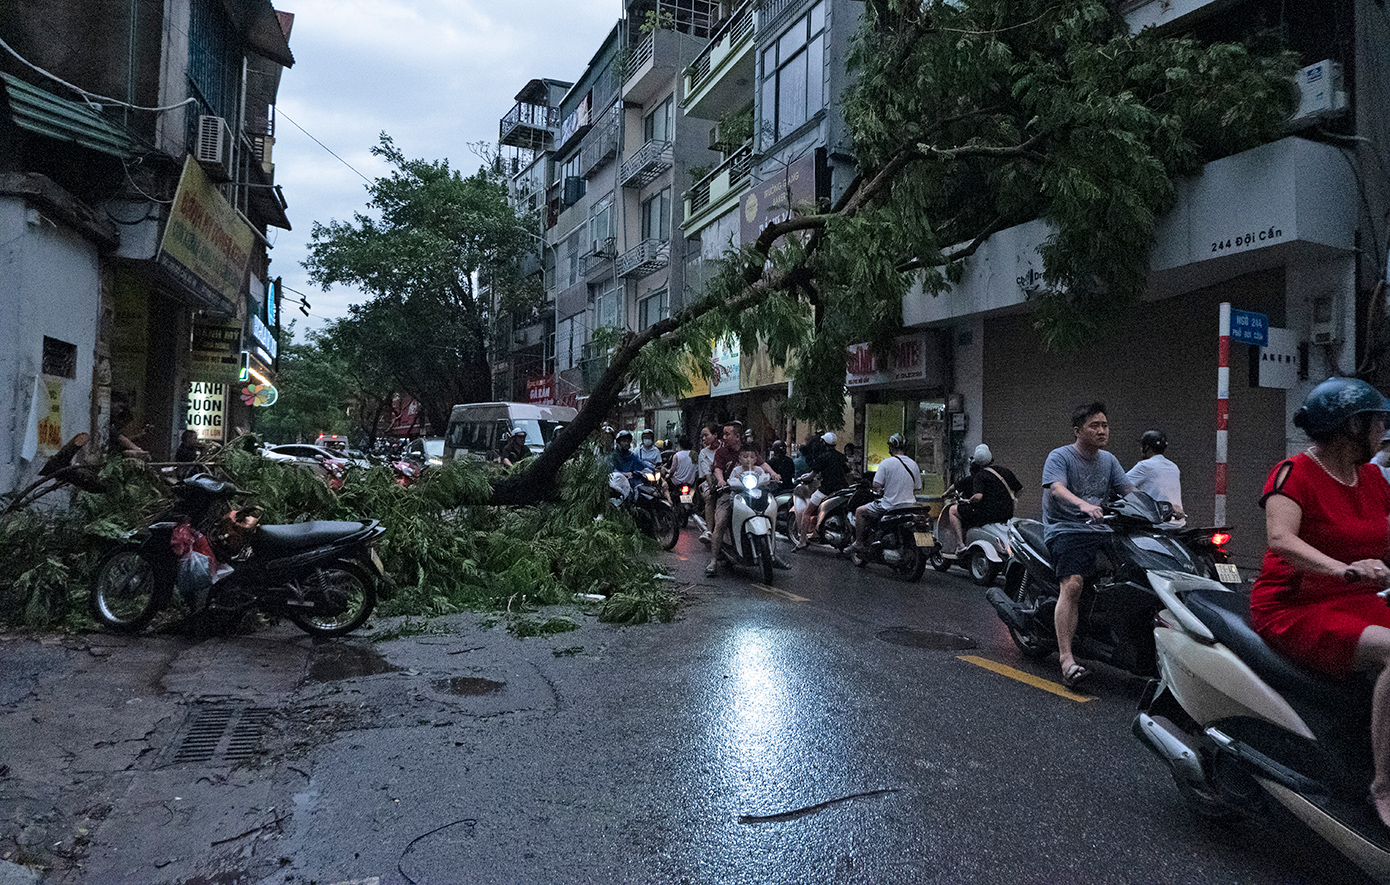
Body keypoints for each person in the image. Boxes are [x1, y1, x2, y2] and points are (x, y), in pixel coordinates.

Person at [1247, 377, 1390, 829]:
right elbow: (1281, 539)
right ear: (1353, 426)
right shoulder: (1294, 472)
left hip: (1355, 599)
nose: (1383, 430)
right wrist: (1342, 569)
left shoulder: (1369, 477)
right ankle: (1383, 787)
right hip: (1295, 605)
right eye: (1377, 422)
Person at [1042, 402, 1134, 688]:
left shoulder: (1109, 460)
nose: (1102, 431)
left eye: (1105, 425)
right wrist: (1083, 505)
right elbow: (1056, 488)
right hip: (1066, 529)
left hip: (1100, 529)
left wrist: (1162, 509)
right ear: (1077, 431)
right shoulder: (1060, 456)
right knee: (1073, 584)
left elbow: (1130, 492)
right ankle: (1067, 659)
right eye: (1094, 426)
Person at [707, 421, 783, 576]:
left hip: (752, 492)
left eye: (727, 434)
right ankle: (713, 561)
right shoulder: (721, 452)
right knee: (721, 521)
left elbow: (763, 465)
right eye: (724, 434)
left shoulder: (748, 451)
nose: (724, 437)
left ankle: (772, 553)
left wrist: (773, 474)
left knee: (769, 512)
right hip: (730, 492)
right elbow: (718, 470)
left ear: (737, 436)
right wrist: (721, 481)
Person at [941, 444, 1022, 553]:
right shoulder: (1004, 471)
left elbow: (978, 497)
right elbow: (1019, 489)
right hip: (1006, 513)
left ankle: (961, 545)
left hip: (986, 514)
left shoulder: (980, 476)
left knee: (953, 510)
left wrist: (969, 500)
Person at [853, 433, 922, 553]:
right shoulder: (913, 464)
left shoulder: (886, 463)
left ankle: (859, 543)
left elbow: (876, 484)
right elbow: (917, 487)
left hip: (890, 505)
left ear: (892, 447)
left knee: (860, 511)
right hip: (910, 505)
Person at [797, 431, 849, 548]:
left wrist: (804, 479)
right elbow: (846, 471)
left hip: (826, 490)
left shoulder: (822, 458)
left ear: (823, 443)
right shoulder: (841, 457)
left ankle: (802, 541)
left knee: (807, 513)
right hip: (843, 489)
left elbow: (811, 476)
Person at [1127, 429, 1185, 527]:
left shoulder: (1144, 466)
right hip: (1179, 524)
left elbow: (1120, 484)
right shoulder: (1174, 467)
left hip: (1157, 525)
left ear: (1146, 447)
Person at [698, 423, 722, 543]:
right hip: (710, 483)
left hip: (726, 482)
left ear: (715, 435)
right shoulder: (703, 453)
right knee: (709, 498)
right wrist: (712, 486)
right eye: (702, 436)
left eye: (706, 435)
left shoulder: (724, 449)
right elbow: (707, 473)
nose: (703, 439)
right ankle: (709, 530)